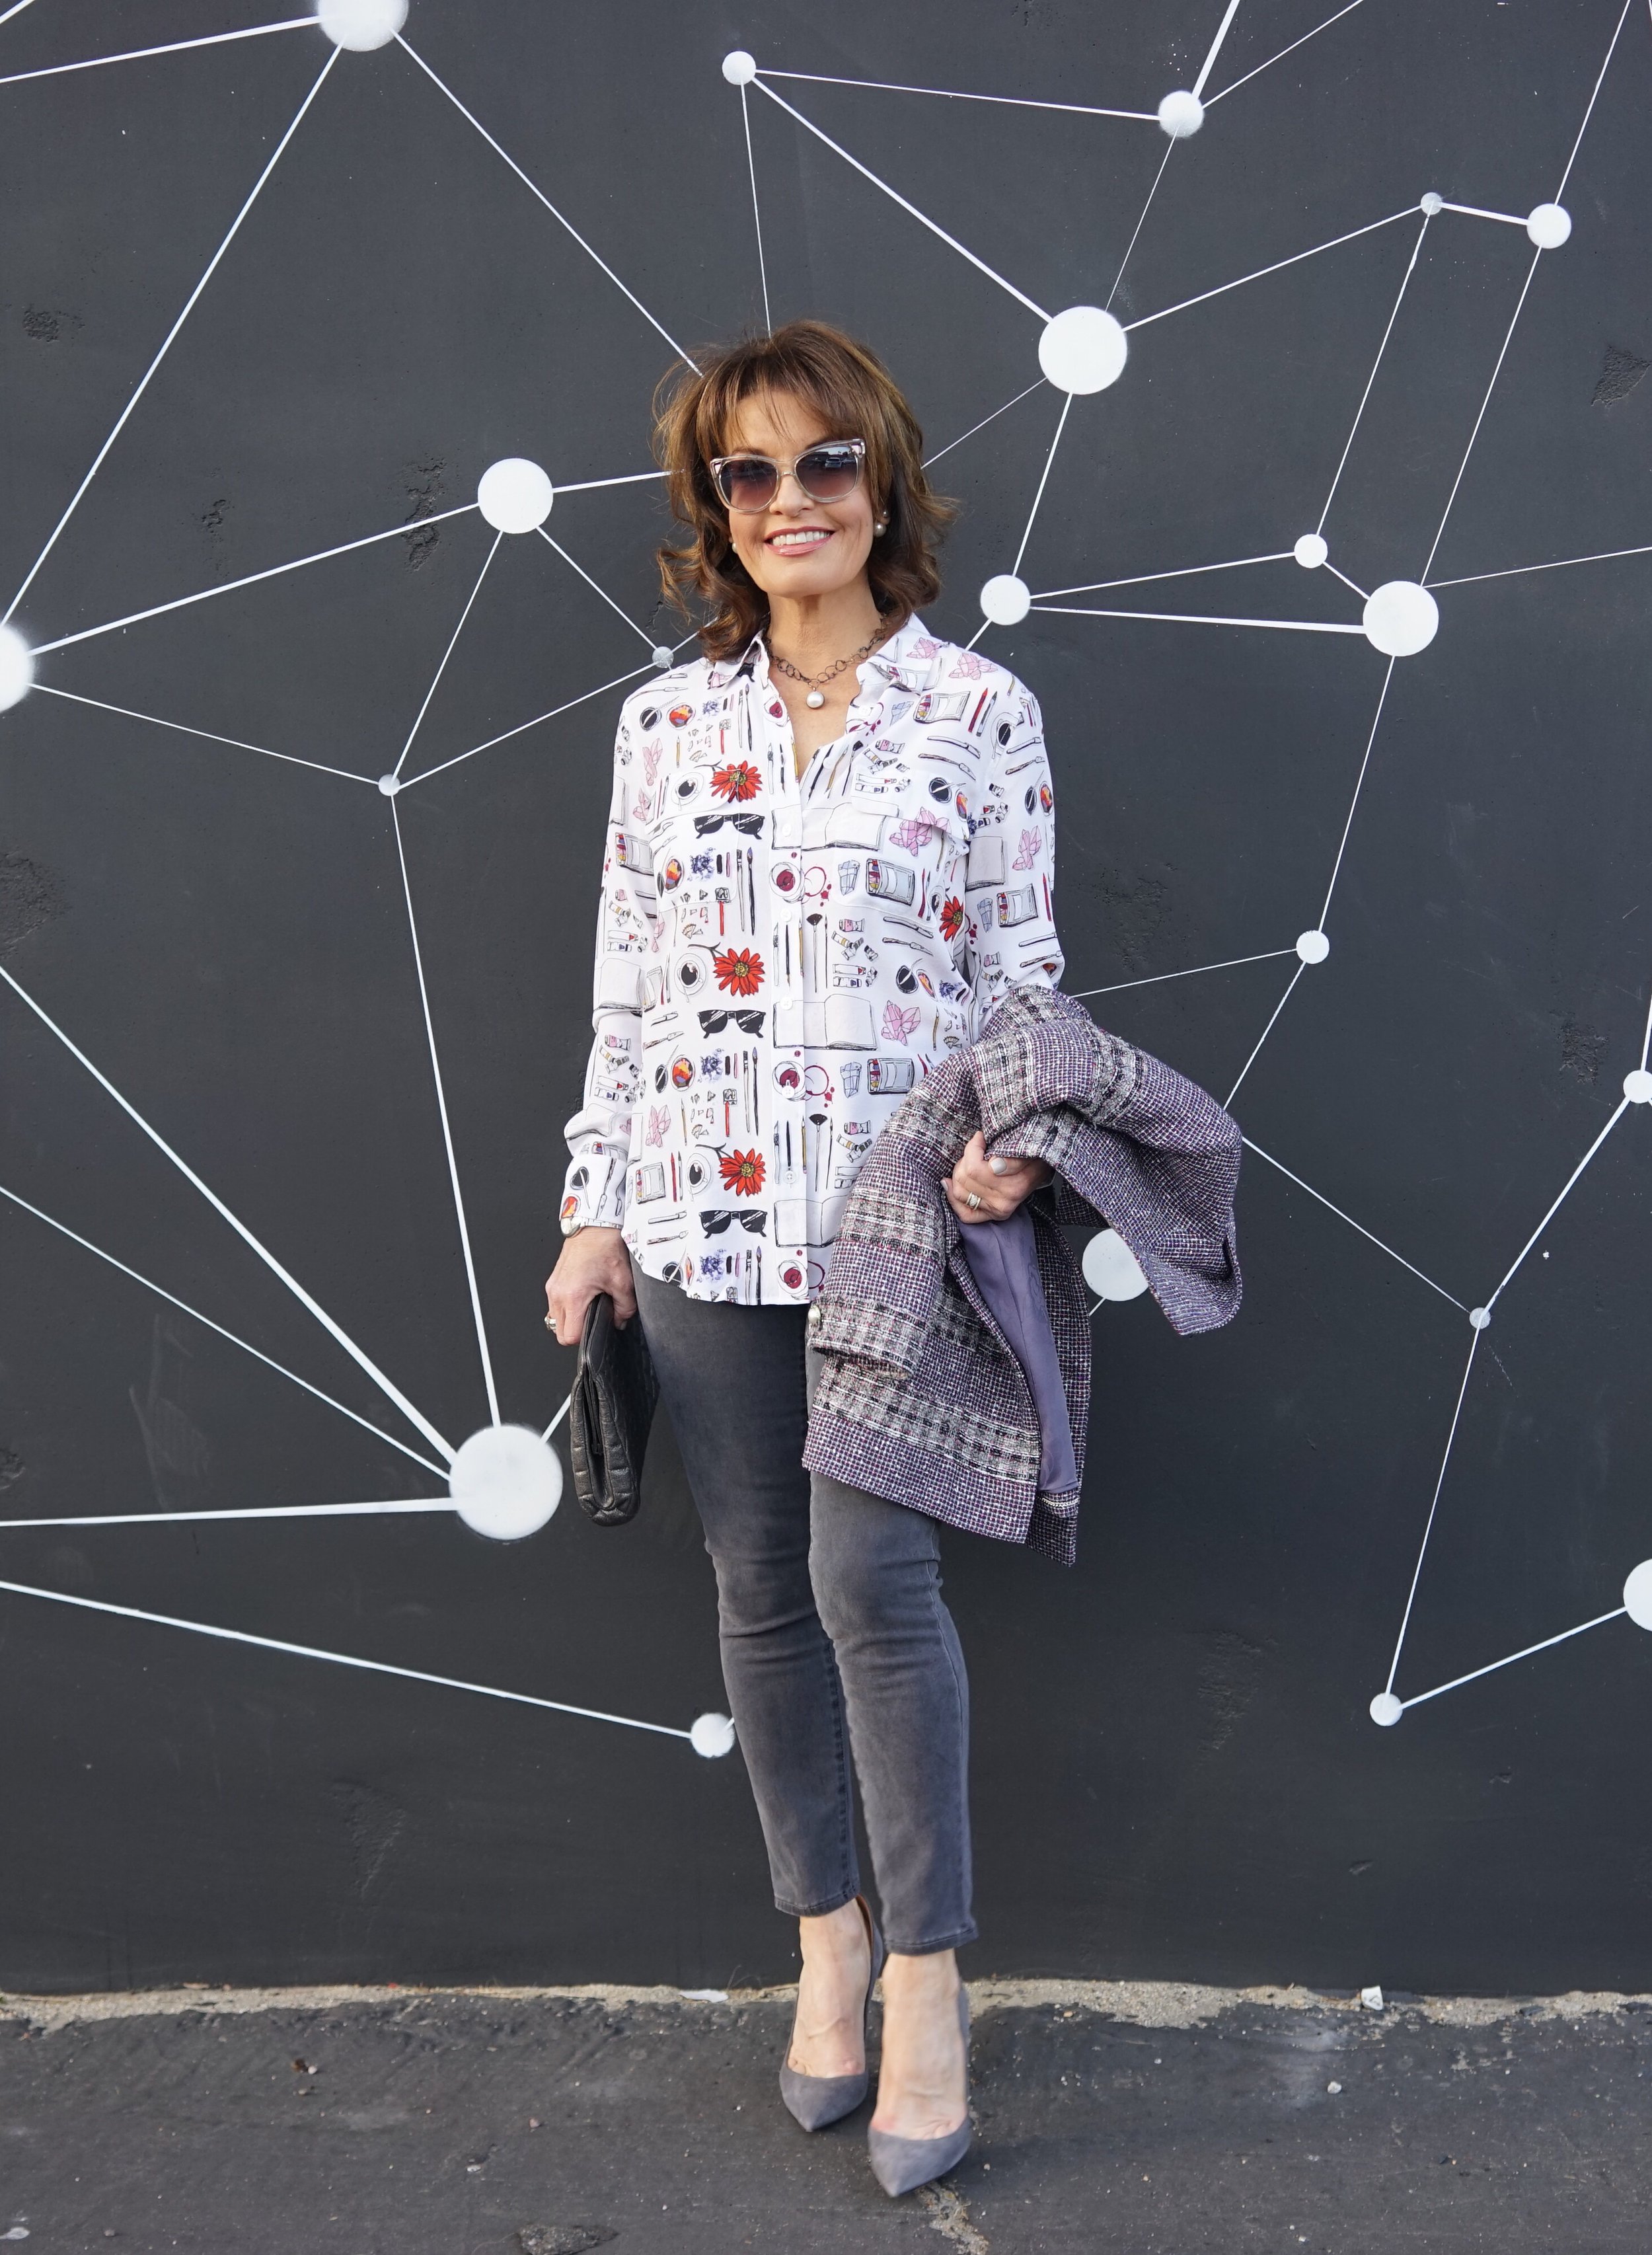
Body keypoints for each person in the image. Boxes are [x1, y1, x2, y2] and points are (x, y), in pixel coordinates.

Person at [545, 319, 1065, 2196]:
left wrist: (1011, 1135)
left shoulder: (978, 713)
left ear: (882, 484)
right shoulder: (660, 725)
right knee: (760, 1587)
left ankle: (927, 1981)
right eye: (746, 474)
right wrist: (594, 1206)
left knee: (873, 1584)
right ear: (712, 509)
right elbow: (628, 988)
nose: (787, 502)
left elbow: (1020, 977)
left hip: (893, 1230)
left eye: (822, 463)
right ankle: (821, 1949)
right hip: (694, 1211)